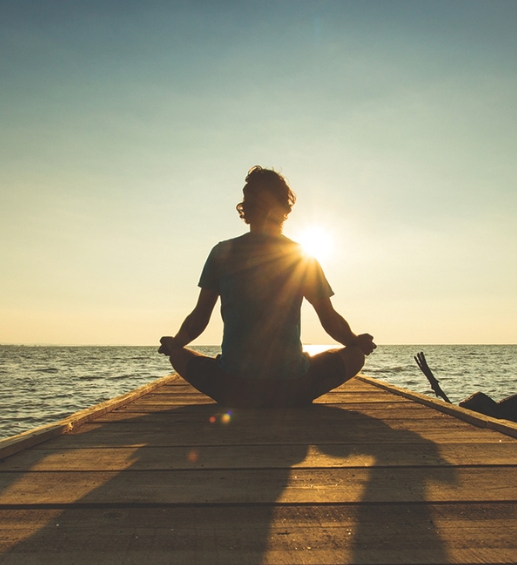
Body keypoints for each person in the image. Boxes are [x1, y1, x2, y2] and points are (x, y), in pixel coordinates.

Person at [159, 166, 376, 408]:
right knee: (354, 356)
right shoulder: (301, 256)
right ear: (284, 208)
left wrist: (174, 344)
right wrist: (356, 341)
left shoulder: (222, 252)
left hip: (233, 388)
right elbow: (329, 319)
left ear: (246, 208)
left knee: (179, 354)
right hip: (292, 388)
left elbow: (199, 319)